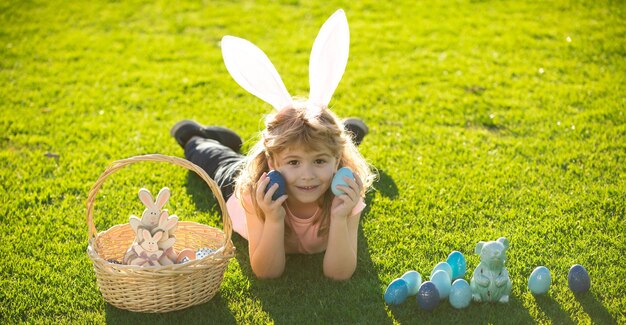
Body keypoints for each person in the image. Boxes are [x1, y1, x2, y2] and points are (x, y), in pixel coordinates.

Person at [172, 9, 375, 280]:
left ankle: (350, 131)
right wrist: (274, 218)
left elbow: (339, 274)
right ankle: (195, 137)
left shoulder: (346, 194)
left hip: (331, 165)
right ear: (273, 162)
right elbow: (267, 272)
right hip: (245, 180)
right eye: (293, 162)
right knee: (218, 164)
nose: (307, 174)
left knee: (319, 143)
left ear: (337, 161)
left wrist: (340, 217)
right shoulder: (253, 190)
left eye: (319, 161)